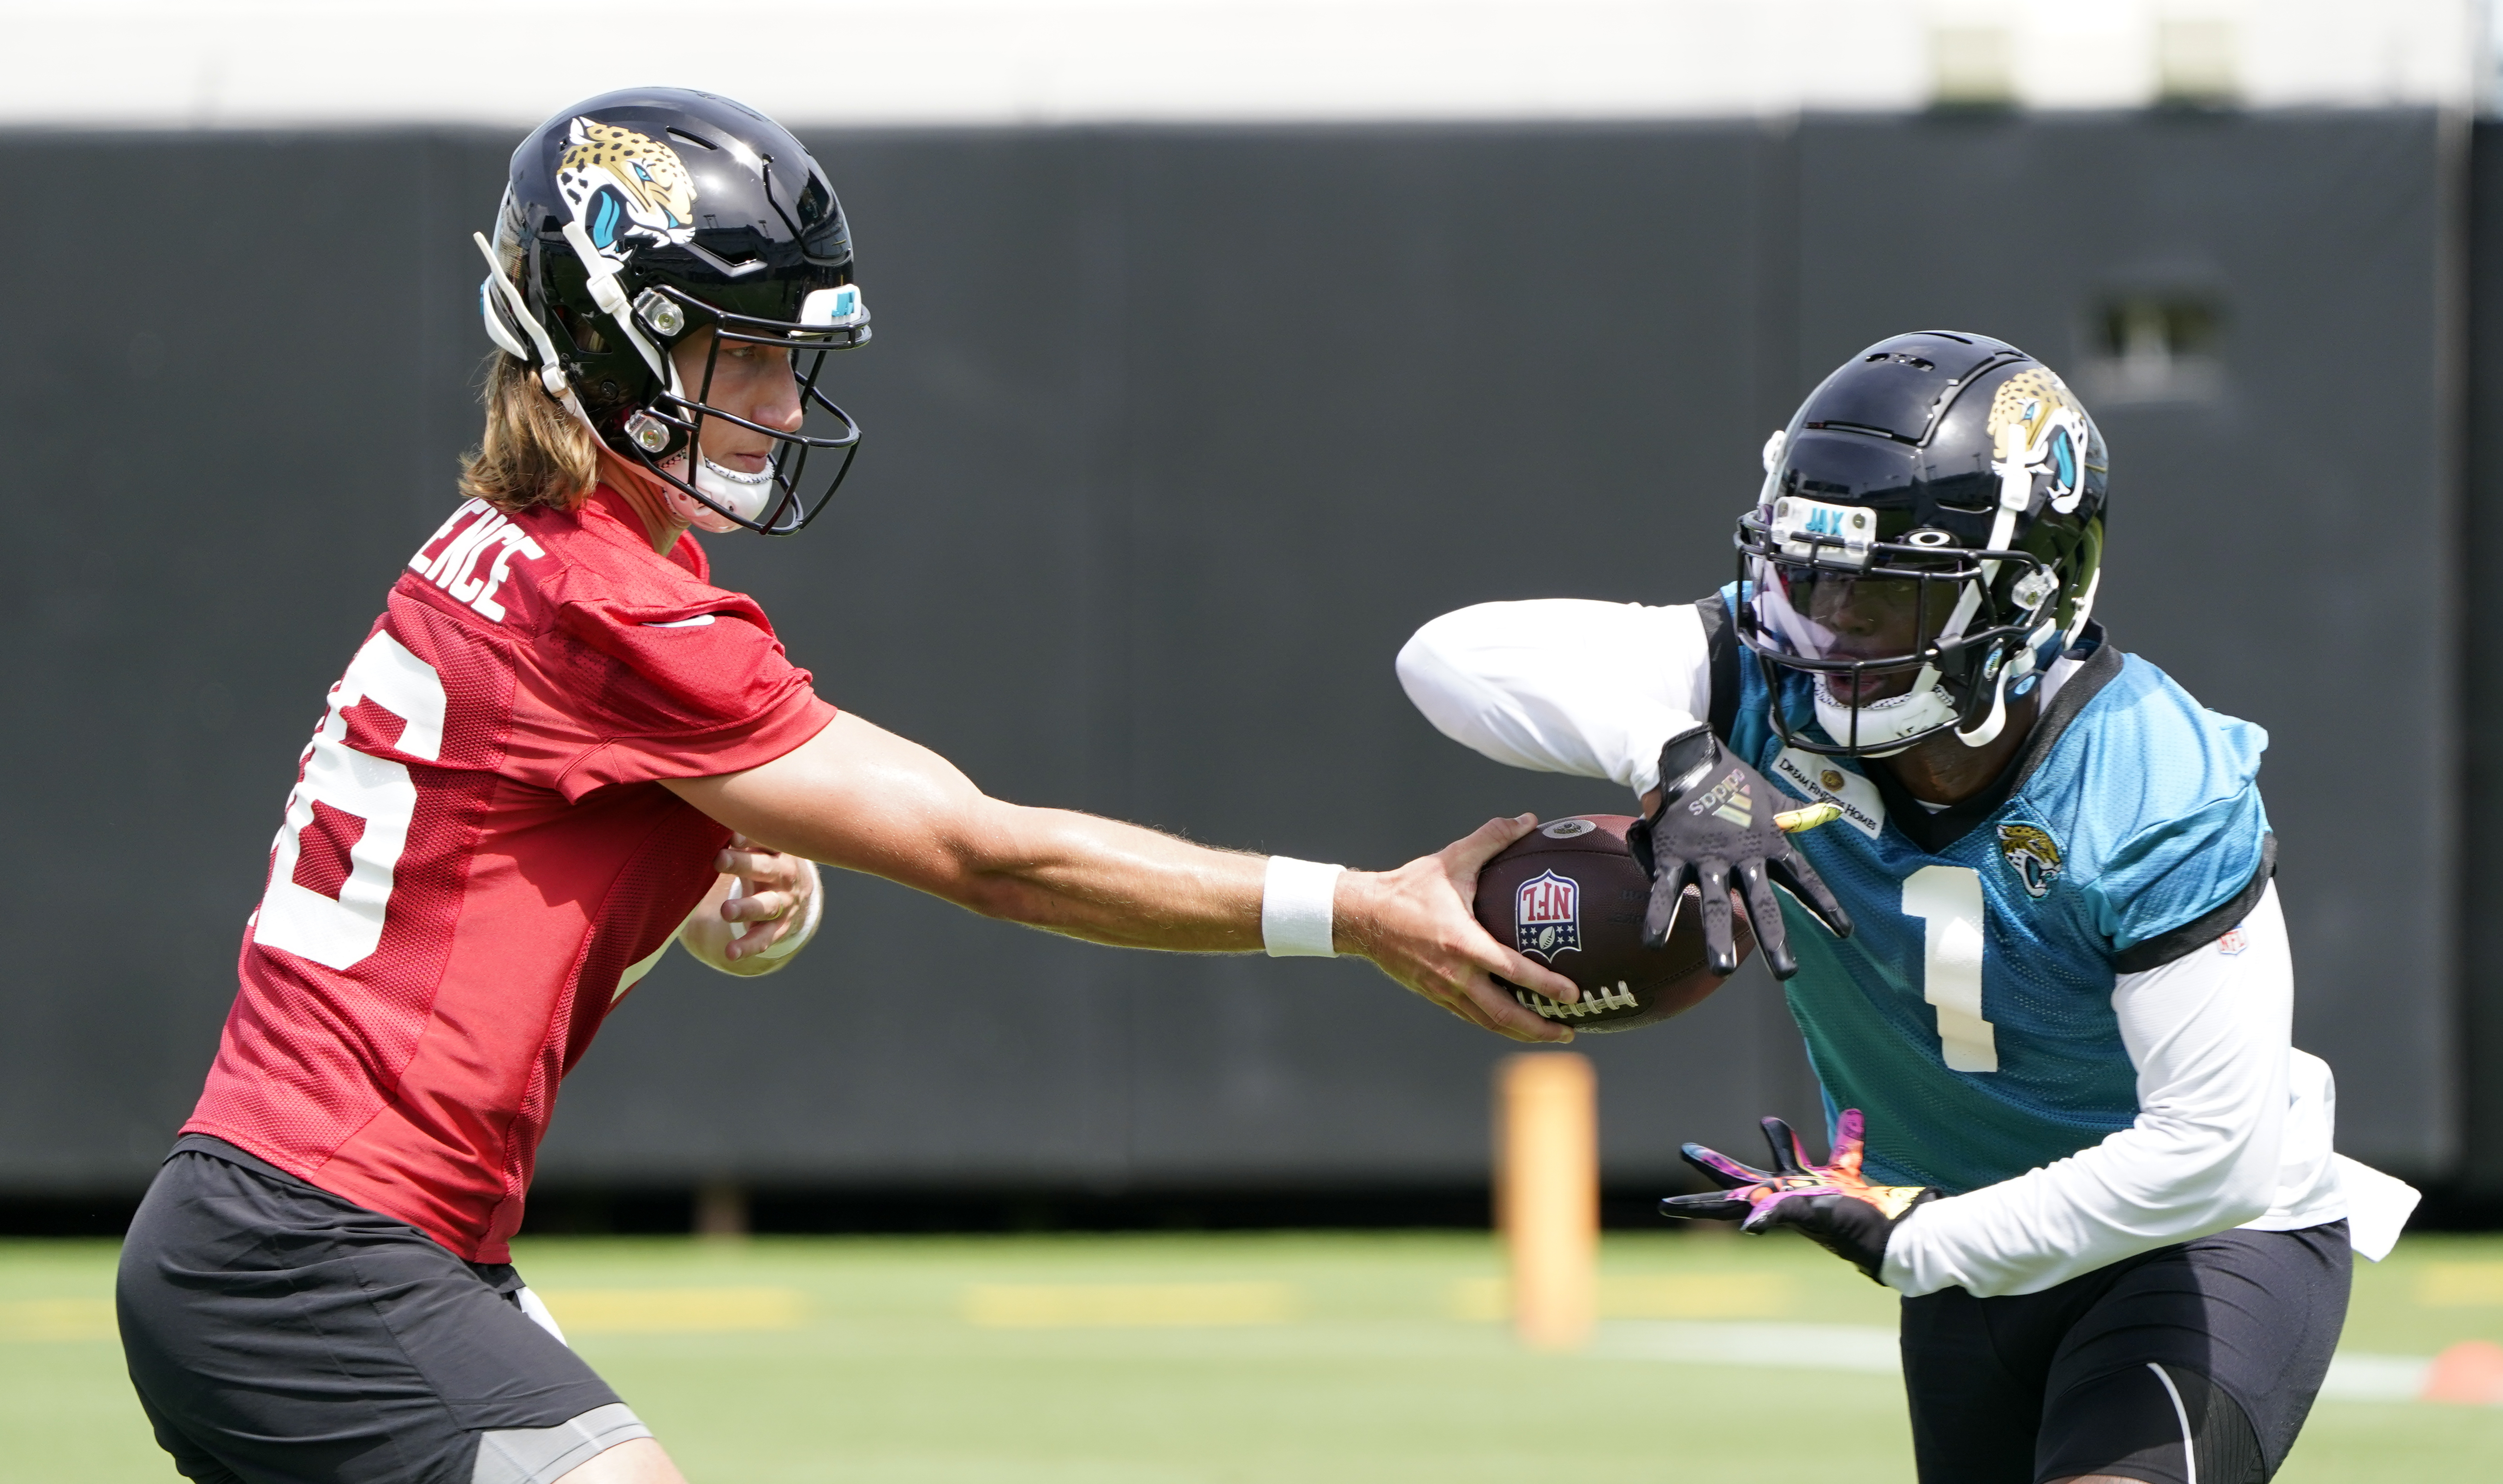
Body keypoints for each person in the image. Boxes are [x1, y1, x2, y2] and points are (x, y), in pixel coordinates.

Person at [114, 88, 1579, 1484]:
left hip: (298, 1234)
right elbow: (983, 853)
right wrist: (1367, 909)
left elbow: (466, 900)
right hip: (316, 1251)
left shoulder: (509, 552)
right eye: (733, 353)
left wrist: (694, 882)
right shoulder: (615, 610)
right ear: (605, 344)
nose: (772, 399)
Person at [1396, 331, 2422, 1484]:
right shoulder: (1756, 676)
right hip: (1960, 1238)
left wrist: (1922, 1239)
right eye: (1806, 577)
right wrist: (1674, 760)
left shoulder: (2151, 782)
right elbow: (1446, 655)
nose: (1826, 633)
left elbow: (2209, 1156)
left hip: (2193, 1242)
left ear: (2026, 598)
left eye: (1881, 593)